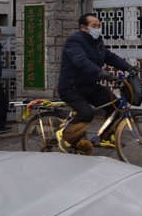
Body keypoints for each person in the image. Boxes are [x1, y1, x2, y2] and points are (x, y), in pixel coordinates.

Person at [58, 13, 136, 147]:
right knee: (86, 114)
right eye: (94, 26)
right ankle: (66, 136)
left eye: (99, 26)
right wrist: (101, 73)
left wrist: (129, 67)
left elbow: (110, 57)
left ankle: (106, 137)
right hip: (72, 88)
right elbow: (81, 61)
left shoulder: (97, 43)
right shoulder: (74, 41)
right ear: (83, 27)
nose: (98, 28)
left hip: (90, 86)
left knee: (115, 104)